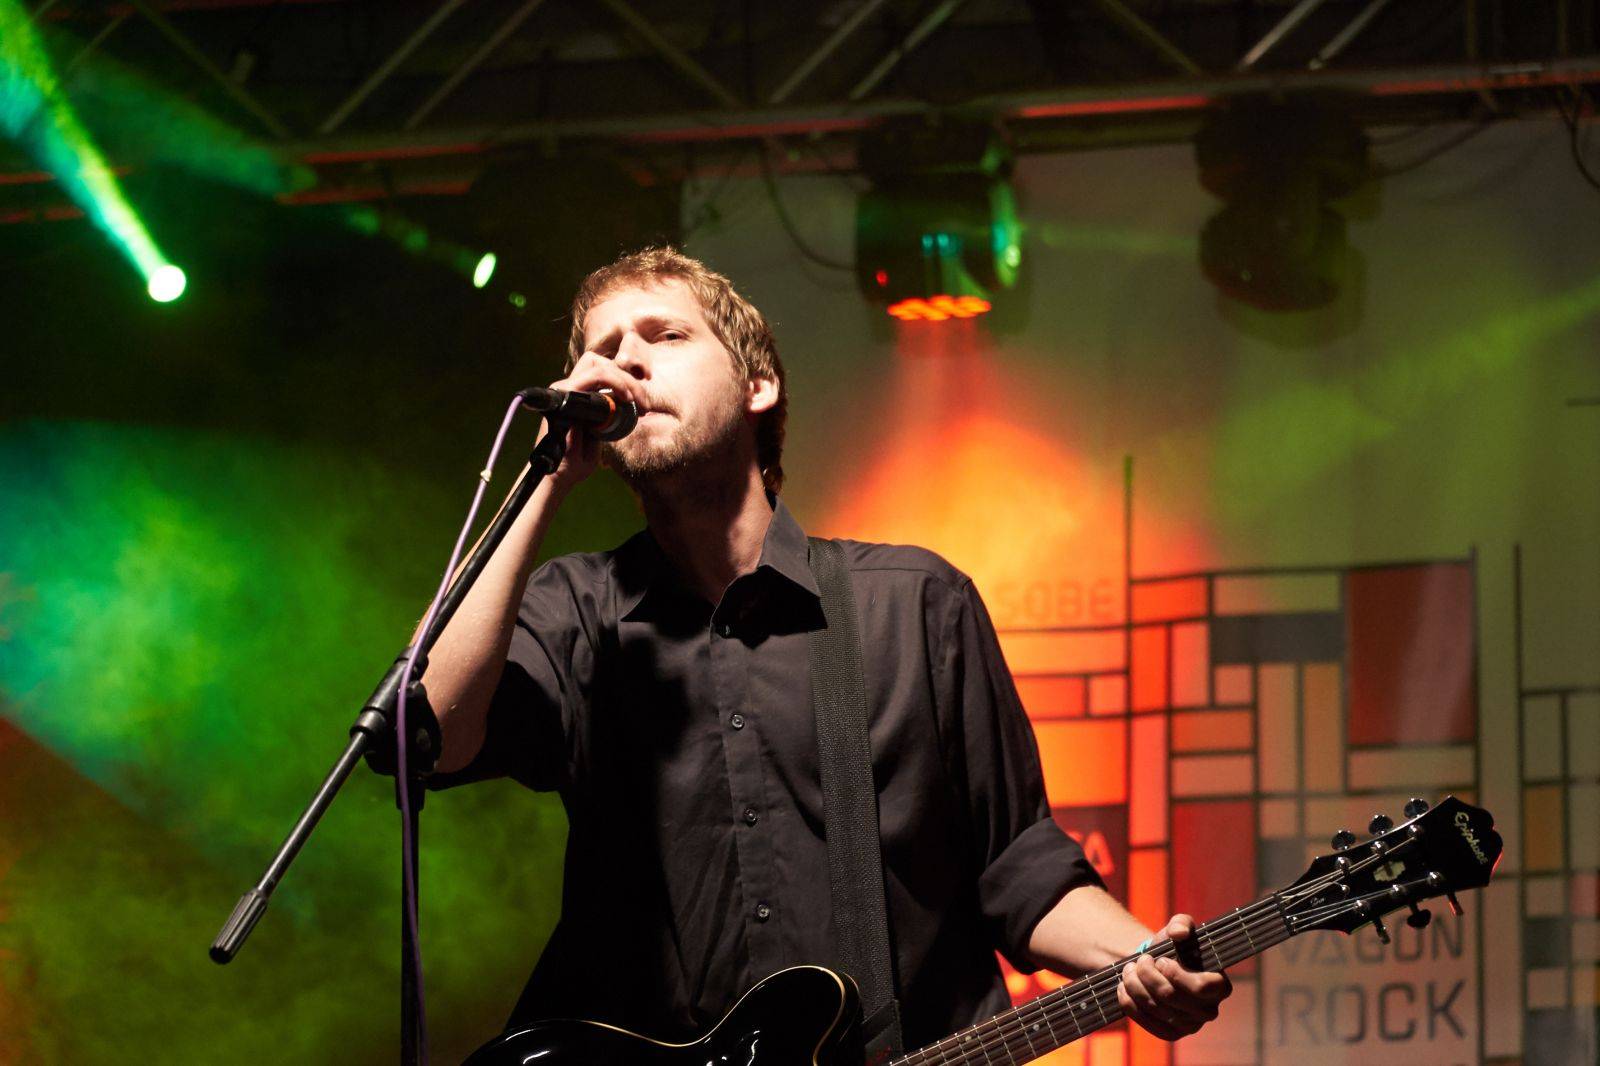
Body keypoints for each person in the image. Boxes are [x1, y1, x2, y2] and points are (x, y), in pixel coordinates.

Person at [420, 246, 1231, 1052]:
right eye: (602, 347)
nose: (622, 360)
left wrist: (1141, 956)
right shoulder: (577, 611)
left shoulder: (914, 602)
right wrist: (545, 479)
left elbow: (1018, 865)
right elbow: (433, 734)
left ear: (758, 385)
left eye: (664, 335)